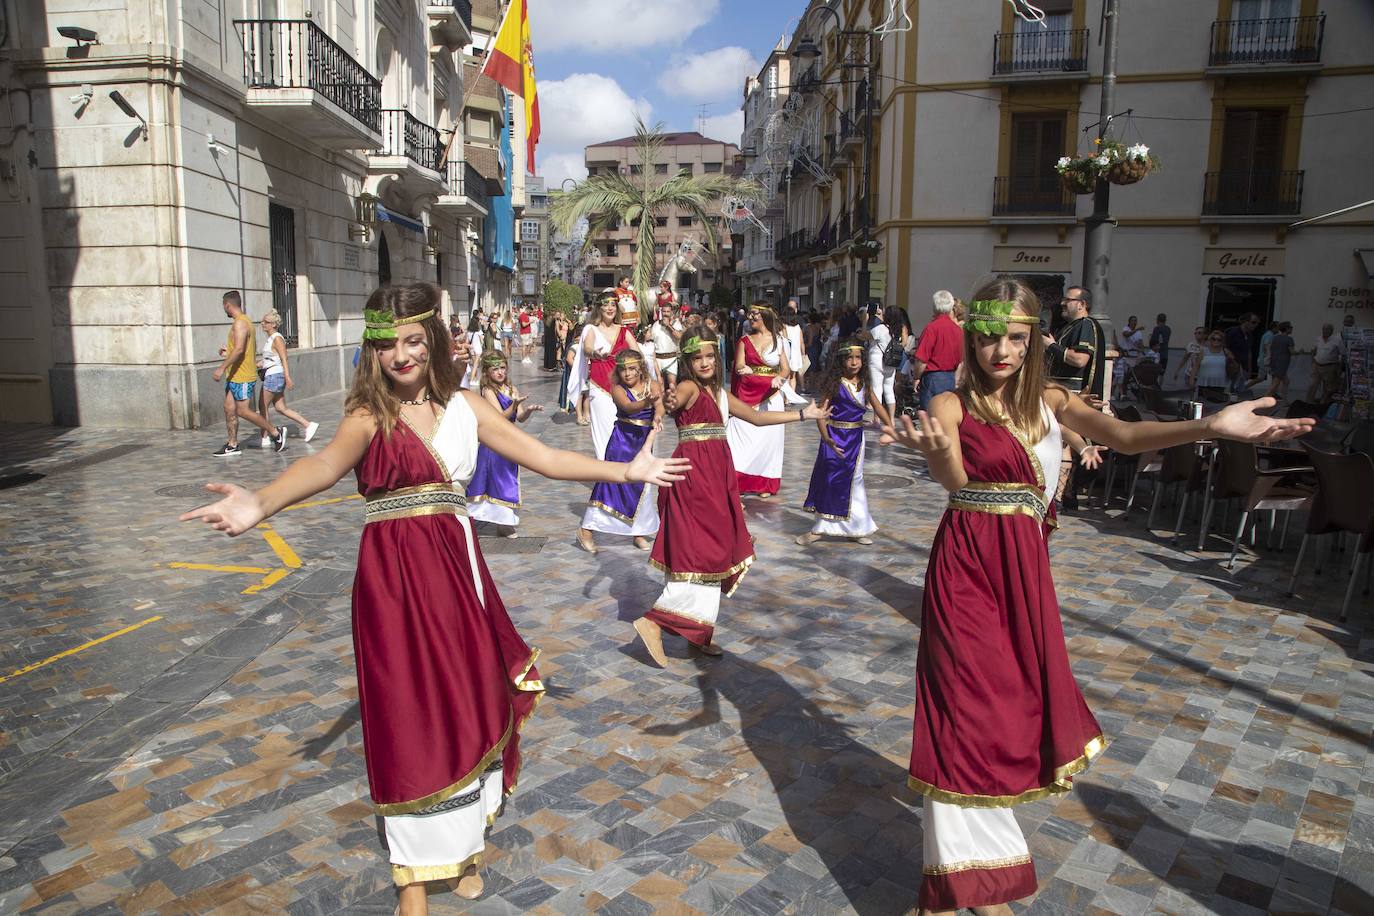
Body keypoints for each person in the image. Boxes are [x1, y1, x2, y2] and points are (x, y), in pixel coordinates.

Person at [181, 283, 688, 916]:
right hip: (392, 581)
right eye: (387, 344)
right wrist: (259, 502)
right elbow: (324, 467)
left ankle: (465, 846)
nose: (401, 355)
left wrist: (626, 472)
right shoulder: (370, 415)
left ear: (435, 342)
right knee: (405, 713)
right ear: (372, 351)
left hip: (457, 573)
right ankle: (412, 886)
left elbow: (545, 457)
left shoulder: (468, 405)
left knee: (470, 699)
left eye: (413, 340)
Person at [879, 279, 1313, 915]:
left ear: (1034, 340)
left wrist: (1213, 425)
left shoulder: (1053, 401)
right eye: (990, 336)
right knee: (963, 709)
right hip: (968, 570)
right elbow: (956, 478)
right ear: (971, 337)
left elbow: (1126, 437)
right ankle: (952, 887)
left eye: (1017, 339)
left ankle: (972, 875)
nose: (1002, 351)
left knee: (1008, 708)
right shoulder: (954, 403)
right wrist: (938, 457)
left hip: (1024, 574)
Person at [634, 330, 828, 666]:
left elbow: (757, 416)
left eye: (710, 356)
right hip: (694, 480)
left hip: (717, 479)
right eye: (697, 358)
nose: (705, 363)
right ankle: (655, 621)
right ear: (688, 363)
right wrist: (666, 402)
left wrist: (803, 415)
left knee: (717, 550)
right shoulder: (689, 387)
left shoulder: (721, 394)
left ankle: (699, 632)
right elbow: (675, 398)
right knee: (702, 552)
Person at [797, 340, 892, 546]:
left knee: (854, 481)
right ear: (841, 360)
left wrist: (891, 427)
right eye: (849, 358)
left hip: (856, 439)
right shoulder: (835, 384)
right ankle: (820, 528)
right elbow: (821, 414)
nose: (854, 362)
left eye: (858, 358)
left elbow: (878, 406)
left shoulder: (865, 385)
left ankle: (858, 527)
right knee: (829, 479)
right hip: (833, 437)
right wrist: (826, 438)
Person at [571, 294, 645, 527]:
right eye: (606, 305)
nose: (610, 309)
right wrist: (597, 354)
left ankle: (623, 478)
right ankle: (609, 482)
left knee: (626, 437)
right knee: (604, 440)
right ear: (599, 309)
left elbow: (639, 355)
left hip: (624, 391)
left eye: (613, 305)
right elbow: (587, 349)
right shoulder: (591, 329)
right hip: (601, 389)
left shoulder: (625, 332)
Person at [579, 349, 663, 553]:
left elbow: (659, 406)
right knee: (610, 485)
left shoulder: (652, 384)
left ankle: (638, 532)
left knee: (643, 485)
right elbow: (628, 407)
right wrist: (647, 402)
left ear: (641, 368)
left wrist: (658, 415)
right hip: (622, 441)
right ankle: (586, 530)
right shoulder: (617, 388)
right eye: (624, 370)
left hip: (643, 441)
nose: (628, 374)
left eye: (632, 369)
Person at [467, 351, 542, 537]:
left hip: (509, 441)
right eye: (495, 369)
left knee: (507, 479)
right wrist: (514, 406)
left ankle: (504, 523)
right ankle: (478, 520)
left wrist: (529, 410)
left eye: (502, 368)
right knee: (494, 480)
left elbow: (521, 418)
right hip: (494, 442)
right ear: (487, 372)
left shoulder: (511, 388)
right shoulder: (488, 391)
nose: (500, 372)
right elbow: (500, 417)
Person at [727, 303, 795, 497]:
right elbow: (739, 364)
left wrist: (779, 378)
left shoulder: (779, 340)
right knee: (740, 436)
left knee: (769, 440)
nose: (750, 317)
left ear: (765, 316)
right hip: (747, 394)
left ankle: (764, 484)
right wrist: (743, 368)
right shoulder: (744, 340)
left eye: (754, 314)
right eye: (750, 314)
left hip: (771, 395)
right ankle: (737, 480)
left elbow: (785, 369)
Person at [213, 290, 285, 457]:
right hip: (234, 375)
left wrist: (221, 368)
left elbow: (239, 350)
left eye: (224, 307)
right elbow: (239, 349)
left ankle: (275, 433)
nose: (224, 309)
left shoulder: (241, 323)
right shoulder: (241, 322)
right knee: (229, 408)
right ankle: (232, 444)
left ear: (227, 305)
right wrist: (227, 351)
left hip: (243, 376)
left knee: (243, 411)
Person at [256, 310, 319, 446]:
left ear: (273, 324)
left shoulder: (277, 338)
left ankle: (265, 437)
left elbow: (284, 357)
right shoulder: (270, 339)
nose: (262, 324)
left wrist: (287, 376)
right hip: (273, 374)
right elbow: (269, 360)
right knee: (280, 407)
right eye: (263, 321)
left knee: (263, 406)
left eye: (266, 322)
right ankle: (308, 425)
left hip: (274, 376)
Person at [1043, 286, 1105, 399]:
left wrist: (1051, 345)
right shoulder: (1071, 326)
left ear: (1082, 304)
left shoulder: (1085, 324)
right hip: (1059, 392)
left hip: (1072, 395)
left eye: (1067, 300)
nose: (1062, 303)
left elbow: (1079, 360)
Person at [912, 290, 964, 413]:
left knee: (930, 417)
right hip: (950, 377)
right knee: (945, 416)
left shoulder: (931, 328)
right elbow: (961, 358)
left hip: (932, 377)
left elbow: (921, 359)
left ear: (934, 307)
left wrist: (916, 377)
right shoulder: (957, 330)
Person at [862, 306, 909, 419]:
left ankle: (877, 419)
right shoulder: (899, 329)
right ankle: (891, 420)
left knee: (877, 389)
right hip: (891, 362)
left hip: (877, 361)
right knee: (889, 389)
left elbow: (865, 335)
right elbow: (904, 343)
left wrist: (865, 320)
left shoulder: (880, 329)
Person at [1186, 328, 1240, 403]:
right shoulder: (1203, 351)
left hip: (1221, 384)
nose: (1216, 341)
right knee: (1203, 406)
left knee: (1218, 407)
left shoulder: (1226, 352)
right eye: (1213, 339)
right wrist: (1191, 380)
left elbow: (1234, 365)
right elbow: (1196, 366)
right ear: (1210, 340)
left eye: (1219, 339)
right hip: (1204, 384)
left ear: (1222, 341)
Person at [1309, 322, 1346, 403]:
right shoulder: (1319, 338)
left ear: (1331, 331)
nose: (1324, 331)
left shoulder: (1337, 340)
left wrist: (1339, 368)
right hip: (1317, 365)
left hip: (1330, 366)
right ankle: (1308, 402)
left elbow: (1343, 354)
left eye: (1327, 329)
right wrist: (1312, 362)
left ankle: (1323, 404)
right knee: (1312, 385)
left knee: (1328, 387)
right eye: (1323, 329)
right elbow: (1314, 350)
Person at [650, 301, 684, 386]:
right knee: (659, 385)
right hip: (658, 359)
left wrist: (668, 326)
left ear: (671, 312)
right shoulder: (656, 324)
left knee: (672, 384)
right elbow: (651, 339)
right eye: (664, 311)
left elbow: (679, 336)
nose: (665, 314)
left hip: (671, 358)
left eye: (668, 311)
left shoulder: (676, 323)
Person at [1224, 313, 1259, 393]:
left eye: (1257, 323)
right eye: (1253, 322)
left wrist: (1249, 368)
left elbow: (1249, 351)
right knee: (1229, 388)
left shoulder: (1250, 335)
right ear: (1245, 322)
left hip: (1242, 367)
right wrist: (1231, 358)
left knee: (1238, 389)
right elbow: (1224, 347)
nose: (1255, 325)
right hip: (1231, 365)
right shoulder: (1233, 332)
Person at [1264, 322, 1295, 400]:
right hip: (1282, 364)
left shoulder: (1275, 337)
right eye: (1290, 327)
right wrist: (1300, 351)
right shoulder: (1289, 339)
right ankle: (1264, 399)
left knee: (1286, 381)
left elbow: (1270, 348)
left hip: (1274, 362)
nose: (1292, 329)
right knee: (1275, 383)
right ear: (1287, 329)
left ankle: (1283, 399)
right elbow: (1292, 351)